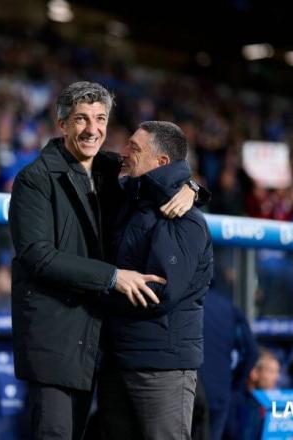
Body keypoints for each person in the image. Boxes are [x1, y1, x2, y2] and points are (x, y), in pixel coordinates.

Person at [9, 82, 202, 439]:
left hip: (94, 340)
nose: (92, 129)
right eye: (81, 119)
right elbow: (38, 256)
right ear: (63, 124)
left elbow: (163, 172)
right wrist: (114, 277)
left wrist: (191, 190)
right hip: (53, 340)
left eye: (100, 119)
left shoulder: (110, 169)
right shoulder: (33, 181)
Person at [98, 121, 213, 440]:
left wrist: (101, 285)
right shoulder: (129, 201)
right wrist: (193, 186)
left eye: (135, 148)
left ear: (161, 162)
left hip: (160, 367)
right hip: (118, 359)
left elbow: (157, 291)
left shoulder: (184, 218)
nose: (125, 152)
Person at [196, 289, 259, 440]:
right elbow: (251, 351)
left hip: (189, 388)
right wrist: (235, 383)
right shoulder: (228, 306)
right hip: (220, 391)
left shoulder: (183, 300)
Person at [224, 349, 280, 439]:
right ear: (254, 373)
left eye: (277, 372)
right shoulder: (233, 403)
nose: (276, 377)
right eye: (271, 371)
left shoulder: (273, 403)